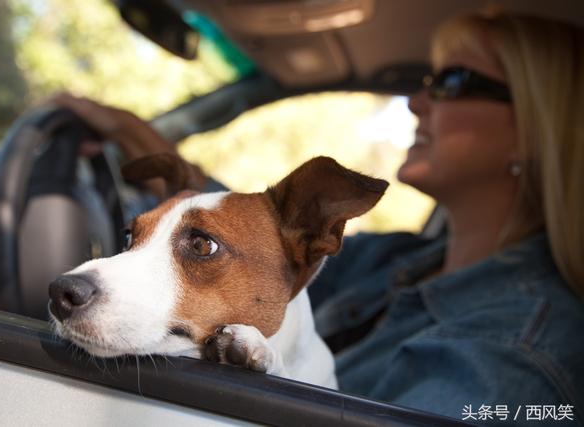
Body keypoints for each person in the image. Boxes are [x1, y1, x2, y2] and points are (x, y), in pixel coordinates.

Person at [53, 11, 584, 425]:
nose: (417, 102)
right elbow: (232, 222)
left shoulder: (516, 355)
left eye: (452, 83)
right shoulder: (399, 260)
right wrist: (123, 126)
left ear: (539, 126)